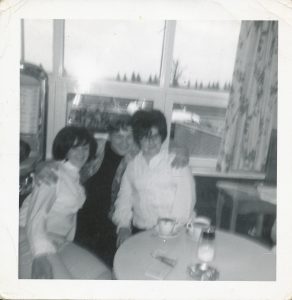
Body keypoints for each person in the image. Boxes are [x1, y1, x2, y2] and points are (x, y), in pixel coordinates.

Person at [35, 114, 189, 267]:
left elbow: (158, 144)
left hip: (113, 226)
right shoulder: (96, 148)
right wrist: (41, 166)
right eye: (118, 136)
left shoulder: (137, 157)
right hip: (82, 222)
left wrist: (181, 150)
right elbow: (68, 156)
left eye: (129, 136)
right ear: (109, 136)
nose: (124, 142)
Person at [19, 126, 111, 279]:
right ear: (65, 150)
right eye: (74, 148)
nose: (81, 153)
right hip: (29, 237)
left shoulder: (76, 176)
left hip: (58, 241)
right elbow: (37, 214)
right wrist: (40, 254)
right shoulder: (52, 173)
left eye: (85, 148)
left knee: (103, 276)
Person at [112, 110, 196, 247]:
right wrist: (123, 226)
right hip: (140, 232)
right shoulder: (132, 165)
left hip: (174, 232)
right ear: (138, 139)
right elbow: (124, 198)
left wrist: (167, 231)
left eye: (155, 136)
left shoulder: (177, 162)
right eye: (145, 137)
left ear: (162, 136)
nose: (150, 142)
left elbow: (185, 203)